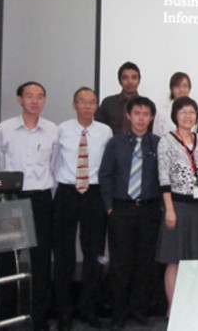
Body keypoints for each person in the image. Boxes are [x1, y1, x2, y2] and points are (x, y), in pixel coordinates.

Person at [0, 81, 58, 331]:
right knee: (8, 260)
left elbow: (54, 165)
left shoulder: (52, 130)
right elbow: (0, 163)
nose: (35, 101)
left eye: (40, 96)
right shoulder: (4, 129)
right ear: (20, 99)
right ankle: (8, 318)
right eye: (29, 96)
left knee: (41, 261)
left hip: (41, 199)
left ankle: (39, 318)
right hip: (11, 198)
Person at [52, 87, 113, 330]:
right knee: (64, 255)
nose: (87, 106)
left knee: (93, 254)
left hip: (94, 195)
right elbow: (53, 161)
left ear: (96, 106)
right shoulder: (62, 130)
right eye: (82, 101)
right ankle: (64, 312)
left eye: (92, 102)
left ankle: (88, 309)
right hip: (66, 193)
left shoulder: (105, 131)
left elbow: (108, 167)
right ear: (74, 104)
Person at [100, 97, 162, 327]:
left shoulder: (158, 143)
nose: (141, 118)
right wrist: (109, 206)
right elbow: (105, 175)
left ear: (152, 117)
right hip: (121, 210)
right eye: (137, 113)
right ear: (129, 115)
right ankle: (118, 314)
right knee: (120, 264)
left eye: (146, 114)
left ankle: (139, 310)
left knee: (145, 264)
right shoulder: (115, 143)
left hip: (149, 209)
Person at [157, 97, 198, 314]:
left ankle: (193, 304)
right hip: (177, 205)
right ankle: (173, 307)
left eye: (192, 112)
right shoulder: (166, 141)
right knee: (175, 259)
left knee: (196, 258)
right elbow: (163, 178)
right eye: (183, 112)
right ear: (175, 116)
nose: (188, 116)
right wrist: (169, 209)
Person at [96, 61, 142, 135]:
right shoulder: (108, 103)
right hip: (112, 145)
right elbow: (99, 129)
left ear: (139, 81)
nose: (130, 81)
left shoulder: (146, 105)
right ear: (119, 81)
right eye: (125, 78)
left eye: (134, 77)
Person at [153, 72, 191, 137]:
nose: (181, 90)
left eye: (184, 86)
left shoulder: (193, 113)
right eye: (177, 86)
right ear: (172, 89)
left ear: (189, 89)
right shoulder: (162, 113)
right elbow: (156, 139)